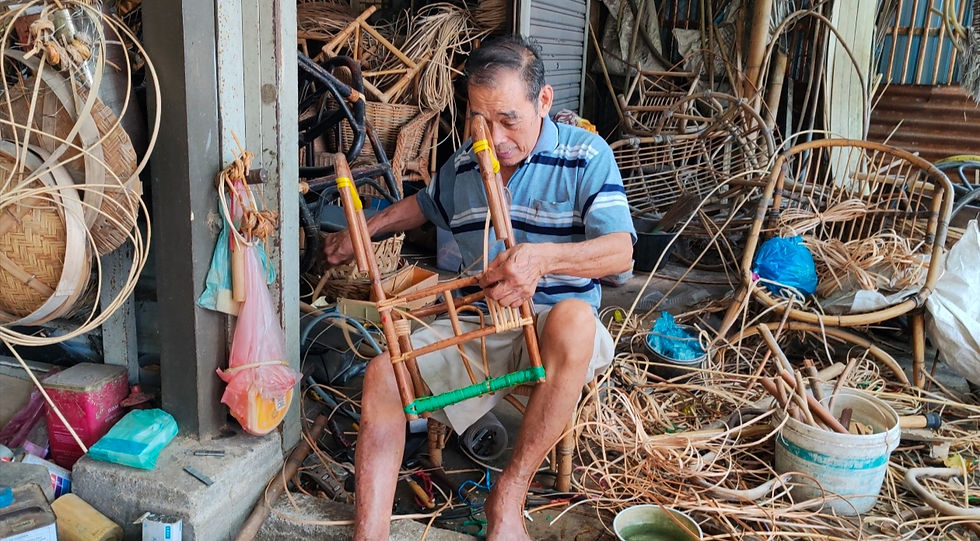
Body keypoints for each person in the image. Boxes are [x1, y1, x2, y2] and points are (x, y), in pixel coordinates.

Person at [323, 35, 635, 541]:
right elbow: (425, 206)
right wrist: (361, 233)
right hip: (481, 322)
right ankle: (370, 531)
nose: (492, 136)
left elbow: (621, 252)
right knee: (382, 374)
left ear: (544, 102)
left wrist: (542, 260)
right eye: (479, 119)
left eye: (508, 118)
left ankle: (507, 497)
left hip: (556, 324)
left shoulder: (586, 154)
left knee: (574, 320)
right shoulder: (467, 164)